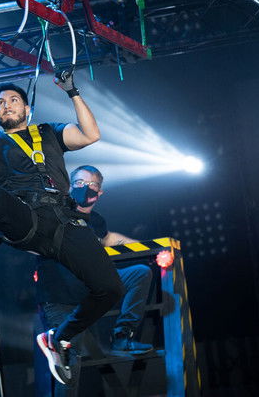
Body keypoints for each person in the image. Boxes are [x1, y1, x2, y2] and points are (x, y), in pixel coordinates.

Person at [0, 70, 124, 385]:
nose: (6, 105)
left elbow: (90, 135)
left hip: (64, 222)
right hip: (23, 217)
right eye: (0, 103)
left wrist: (72, 91)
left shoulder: (49, 132)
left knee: (111, 289)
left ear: (27, 109)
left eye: (13, 100)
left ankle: (59, 339)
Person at [35, 165, 154, 396]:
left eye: (91, 185)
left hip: (90, 290)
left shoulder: (96, 221)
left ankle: (122, 336)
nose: (85, 188)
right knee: (68, 365)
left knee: (139, 272)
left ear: (99, 193)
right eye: (79, 183)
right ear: (70, 187)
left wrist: (152, 248)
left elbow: (109, 239)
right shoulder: (57, 211)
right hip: (61, 298)